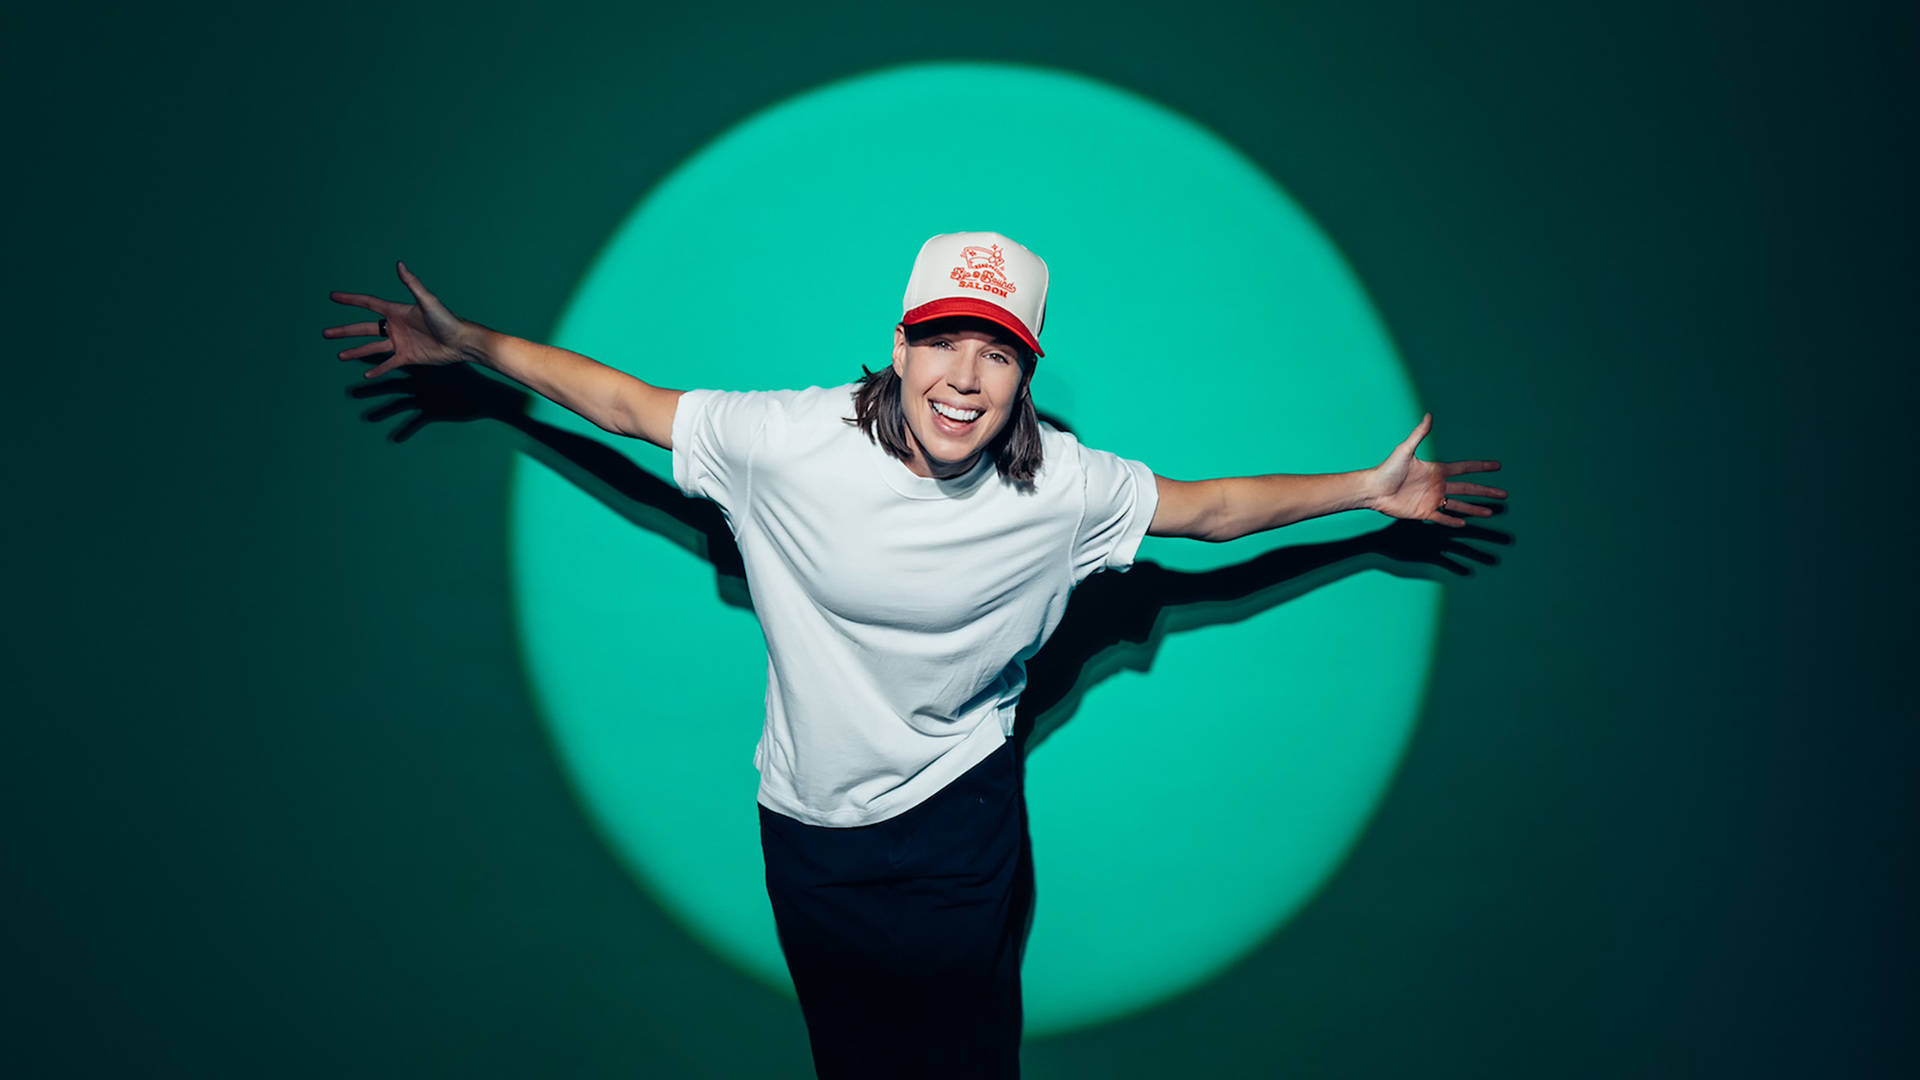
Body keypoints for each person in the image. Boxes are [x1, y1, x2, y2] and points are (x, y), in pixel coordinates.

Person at [323, 231, 1507, 1078]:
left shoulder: (1066, 487)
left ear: (1025, 378)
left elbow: (1212, 508)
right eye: (945, 343)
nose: (965, 379)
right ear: (900, 344)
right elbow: (628, 404)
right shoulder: (791, 442)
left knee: (962, 1063)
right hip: (808, 826)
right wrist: (470, 343)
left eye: (997, 356)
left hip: (959, 823)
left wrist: (1366, 489)